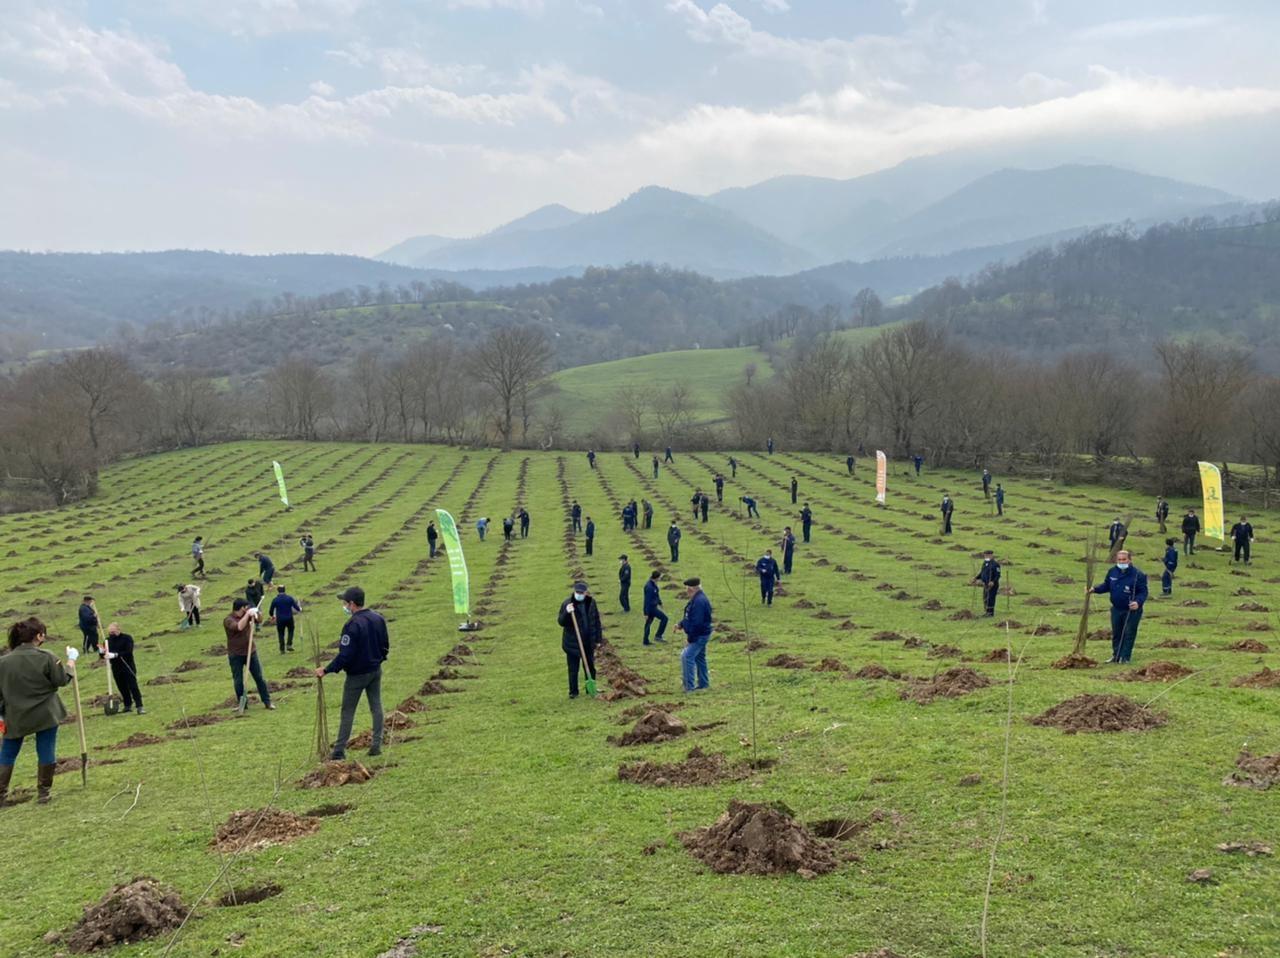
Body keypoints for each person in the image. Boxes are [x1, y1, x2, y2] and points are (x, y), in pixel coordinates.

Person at [0, 617, 74, 806]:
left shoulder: (3, 662)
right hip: (45, 714)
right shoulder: (46, 656)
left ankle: (0, 795)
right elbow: (61, 680)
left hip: (15, 716)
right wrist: (71, 663)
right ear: (39, 636)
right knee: (46, 749)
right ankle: (44, 793)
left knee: (7, 753)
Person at [316, 587, 389, 759]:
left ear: (352, 604)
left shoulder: (352, 625)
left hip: (356, 675)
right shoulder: (378, 618)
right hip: (375, 670)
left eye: (345, 603)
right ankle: (376, 744)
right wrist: (379, 659)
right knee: (376, 706)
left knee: (348, 711)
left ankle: (339, 750)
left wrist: (326, 670)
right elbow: (385, 644)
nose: (344, 606)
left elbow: (345, 655)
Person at [1089, 549, 1148, 664]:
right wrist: (1095, 589)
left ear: (1129, 560)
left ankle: (1125, 657)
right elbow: (1106, 585)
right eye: (1119, 559)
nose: (1121, 562)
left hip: (1131, 610)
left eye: (1124, 559)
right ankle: (1116, 655)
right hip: (1116, 609)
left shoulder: (1138, 575)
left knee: (1129, 633)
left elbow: (1143, 592)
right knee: (1117, 633)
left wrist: (1138, 602)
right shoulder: (1112, 572)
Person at [223, 598, 274, 711]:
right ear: (242, 608)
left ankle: (267, 702)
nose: (248, 609)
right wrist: (247, 616)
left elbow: (260, 620)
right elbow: (239, 627)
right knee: (238, 680)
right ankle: (243, 704)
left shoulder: (249, 615)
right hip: (235, 654)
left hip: (251, 652)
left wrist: (257, 613)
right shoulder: (228, 620)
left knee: (259, 677)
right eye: (246, 607)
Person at [558, 580, 602, 699]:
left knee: (590, 666)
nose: (579, 594)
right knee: (573, 669)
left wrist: (598, 639)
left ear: (586, 592)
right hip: (572, 643)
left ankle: (590, 688)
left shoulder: (591, 603)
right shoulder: (568, 604)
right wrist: (567, 612)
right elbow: (561, 622)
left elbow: (596, 621)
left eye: (582, 592)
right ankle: (573, 692)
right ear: (574, 591)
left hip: (588, 642)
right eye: (577, 592)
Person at [676, 578, 712, 693]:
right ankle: (703, 683)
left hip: (699, 635)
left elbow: (697, 623)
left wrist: (690, 639)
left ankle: (689, 687)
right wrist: (681, 624)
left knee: (686, 656)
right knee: (699, 658)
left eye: (687, 589)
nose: (686, 591)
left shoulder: (699, 602)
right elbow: (689, 617)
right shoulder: (696, 599)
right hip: (702, 634)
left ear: (692, 589)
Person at [101, 623, 144, 714]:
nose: (111, 634)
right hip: (116, 668)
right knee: (122, 687)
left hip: (127, 666)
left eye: (113, 632)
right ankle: (127, 705)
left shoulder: (127, 638)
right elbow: (103, 655)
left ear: (118, 630)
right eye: (110, 632)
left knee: (133, 686)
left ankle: (139, 706)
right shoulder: (107, 641)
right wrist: (102, 652)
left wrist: (115, 655)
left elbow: (128, 652)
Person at [268, 584, 302, 653]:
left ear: (278, 591)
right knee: (291, 630)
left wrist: (272, 616)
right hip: (289, 618)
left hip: (280, 619)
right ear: (284, 590)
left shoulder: (275, 600)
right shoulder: (289, 598)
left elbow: (271, 610)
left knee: (281, 633)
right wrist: (299, 609)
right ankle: (289, 644)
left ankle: (282, 649)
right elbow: (296, 607)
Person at [972, 550, 1001, 617]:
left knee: (990, 598)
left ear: (991, 555)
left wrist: (993, 581)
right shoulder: (985, 563)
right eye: (985, 555)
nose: (986, 556)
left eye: (987, 555)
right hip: (985, 584)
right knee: (985, 598)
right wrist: (976, 578)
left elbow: (998, 575)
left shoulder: (995, 564)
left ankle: (990, 613)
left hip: (992, 585)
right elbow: (982, 573)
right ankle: (986, 611)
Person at [642, 572, 667, 645]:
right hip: (651, 609)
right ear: (656, 577)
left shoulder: (653, 584)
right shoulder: (649, 587)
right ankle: (658, 636)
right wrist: (646, 613)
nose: (660, 578)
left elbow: (656, 595)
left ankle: (646, 641)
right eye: (659, 577)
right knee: (664, 619)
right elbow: (647, 600)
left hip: (653, 607)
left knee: (648, 624)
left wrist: (660, 602)